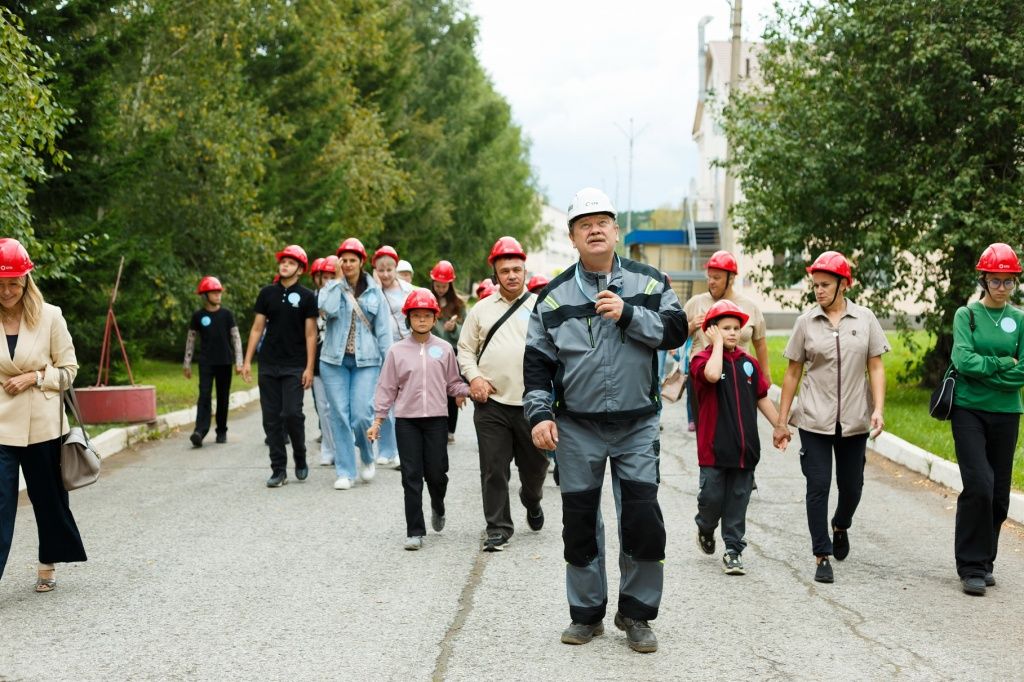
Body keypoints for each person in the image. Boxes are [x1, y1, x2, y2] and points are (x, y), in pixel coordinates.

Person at [524, 188, 686, 653]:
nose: (595, 229)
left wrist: (630, 314)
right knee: (579, 522)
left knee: (642, 520)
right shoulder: (552, 299)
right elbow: (537, 364)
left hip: (637, 426)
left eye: (603, 221)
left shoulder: (650, 284)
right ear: (572, 237)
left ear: (616, 230)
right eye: (584, 224)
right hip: (577, 427)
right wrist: (538, 415)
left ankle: (636, 614)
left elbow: (676, 330)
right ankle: (586, 614)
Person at [774, 251, 888, 584]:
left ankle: (841, 524)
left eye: (825, 285)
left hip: (854, 420)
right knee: (818, 486)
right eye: (815, 285)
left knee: (852, 488)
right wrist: (782, 421)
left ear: (843, 285)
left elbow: (876, 366)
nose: (818, 291)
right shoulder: (806, 322)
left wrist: (878, 408)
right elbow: (792, 373)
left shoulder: (865, 319)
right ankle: (821, 554)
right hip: (814, 419)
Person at [0, 238, 86, 592]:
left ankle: (48, 560)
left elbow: (69, 370)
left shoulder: (50, 316)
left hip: (43, 426)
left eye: (14, 283)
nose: (7, 291)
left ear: (26, 281)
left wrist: (35, 376)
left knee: (48, 499)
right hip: (1, 427)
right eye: (1, 284)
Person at [457, 236, 548, 552]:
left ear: (525, 270)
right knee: (494, 468)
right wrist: (475, 377)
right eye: (505, 270)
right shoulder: (480, 310)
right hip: (492, 403)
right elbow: (465, 349)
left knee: (535, 470)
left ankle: (531, 500)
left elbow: (556, 351)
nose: (511, 275)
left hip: (533, 405)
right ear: (495, 273)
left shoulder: (540, 307)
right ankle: (498, 528)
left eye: (517, 269)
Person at [690, 300, 788, 576]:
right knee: (711, 497)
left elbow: (761, 398)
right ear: (712, 331)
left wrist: (779, 425)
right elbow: (711, 375)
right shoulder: (701, 360)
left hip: (744, 450)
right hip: (714, 449)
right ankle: (705, 526)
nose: (732, 333)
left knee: (738, 500)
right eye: (725, 328)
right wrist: (717, 344)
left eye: (736, 328)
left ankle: (733, 550)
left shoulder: (749, 364)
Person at [948, 243, 1024, 596]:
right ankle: (971, 565)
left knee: (998, 495)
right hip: (968, 409)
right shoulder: (968, 315)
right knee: (978, 483)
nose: (1002, 288)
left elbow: (1022, 370)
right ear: (984, 279)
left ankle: (986, 559)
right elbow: (963, 362)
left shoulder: (1020, 319)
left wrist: (986, 371)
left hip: (1007, 412)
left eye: (1009, 282)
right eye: (996, 280)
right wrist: (999, 365)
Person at [368, 289, 470, 550]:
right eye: (416, 316)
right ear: (408, 319)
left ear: (434, 318)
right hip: (407, 421)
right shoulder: (396, 351)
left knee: (437, 474)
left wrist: (466, 391)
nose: (422, 320)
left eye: (427, 315)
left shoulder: (445, 349)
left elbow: (453, 382)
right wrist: (378, 419)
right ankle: (415, 530)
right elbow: (387, 387)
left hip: (437, 421)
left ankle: (438, 504)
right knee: (411, 476)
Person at [241, 244, 318, 488]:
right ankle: (278, 469)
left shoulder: (307, 297)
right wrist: (246, 361)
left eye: (290, 262)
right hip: (268, 364)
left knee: (292, 413)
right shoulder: (267, 293)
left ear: (299, 269)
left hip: (295, 365)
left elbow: (310, 334)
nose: (284, 265)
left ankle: (300, 455)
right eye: (283, 261)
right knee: (271, 419)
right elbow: (257, 328)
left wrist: (309, 367)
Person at [319, 237, 392, 490]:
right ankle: (346, 472)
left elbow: (383, 331)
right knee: (338, 413)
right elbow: (327, 310)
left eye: (353, 260)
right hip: (333, 361)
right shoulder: (331, 288)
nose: (348, 264)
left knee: (361, 415)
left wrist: (390, 366)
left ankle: (368, 455)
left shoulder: (375, 291)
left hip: (367, 362)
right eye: (344, 260)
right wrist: (338, 282)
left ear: (361, 262)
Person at [683, 251, 769, 432]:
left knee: (742, 430)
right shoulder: (696, 303)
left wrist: (765, 376)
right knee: (709, 434)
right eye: (709, 277)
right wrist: (691, 326)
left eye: (717, 277)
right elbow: (676, 336)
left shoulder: (749, 306)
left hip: (740, 378)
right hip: (705, 380)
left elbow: (760, 343)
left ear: (731, 279)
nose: (711, 282)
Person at [183, 276, 243, 448]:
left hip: (225, 362)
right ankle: (200, 431)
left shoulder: (227, 315)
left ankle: (222, 430)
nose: (218, 295)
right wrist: (186, 363)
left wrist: (239, 361)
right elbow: (191, 340)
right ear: (205, 295)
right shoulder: (198, 316)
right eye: (214, 292)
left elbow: (236, 338)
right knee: (204, 395)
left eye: (219, 292)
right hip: (206, 362)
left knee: (223, 397)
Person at [372, 245, 413, 468]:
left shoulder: (408, 290)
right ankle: (386, 448)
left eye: (389, 269)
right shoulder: (370, 290)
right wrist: (376, 289)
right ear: (374, 269)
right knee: (383, 401)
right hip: (379, 353)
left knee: (402, 403)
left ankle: (401, 449)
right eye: (381, 270)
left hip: (404, 350)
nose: (385, 274)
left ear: (396, 268)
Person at [428, 260, 465, 443]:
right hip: (430, 352)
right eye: (437, 285)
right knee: (434, 389)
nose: (440, 289)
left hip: (451, 351)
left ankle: (450, 429)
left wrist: (453, 329)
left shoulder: (458, 304)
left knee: (452, 391)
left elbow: (465, 334)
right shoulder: (426, 299)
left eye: (444, 285)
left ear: (450, 284)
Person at [308, 257, 337, 467]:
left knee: (339, 407)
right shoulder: (310, 300)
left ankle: (343, 444)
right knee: (323, 407)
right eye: (323, 277)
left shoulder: (341, 296)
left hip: (338, 360)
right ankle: (328, 447)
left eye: (330, 277)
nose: (326, 281)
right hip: (317, 360)